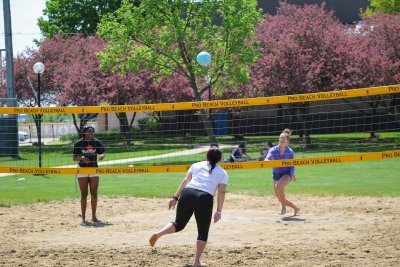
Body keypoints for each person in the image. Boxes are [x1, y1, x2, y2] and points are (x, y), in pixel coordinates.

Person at [149, 147, 228, 267]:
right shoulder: (222, 172)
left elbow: (185, 181)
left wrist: (175, 198)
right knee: (203, 232)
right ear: (220, 158)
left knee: (178, 224)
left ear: (207, 156)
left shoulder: (196, 165)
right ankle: (196, 261)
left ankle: (158, 234)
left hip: (188, 193)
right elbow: (221, 192)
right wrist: (219, 211)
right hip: (204, 198)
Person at [72, 126, 105, 224]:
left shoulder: (96, 142)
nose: (91, 133)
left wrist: (102, 156)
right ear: (84, 132)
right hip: (82, 169)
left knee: (94, 193)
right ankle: (83, 218)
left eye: (92, 132)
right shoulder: (78, 143)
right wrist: (82, 158)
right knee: (84, 194)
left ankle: (94, 216)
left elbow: (102, 152)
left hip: (94, 168)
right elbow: (74, 158)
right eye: (89, 131)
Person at [265, 129, 299, 216]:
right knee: (280, 198)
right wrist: (266, 161)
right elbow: (267, 158)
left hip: (286, 174)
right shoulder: (273, 150)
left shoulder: (290, 152)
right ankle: (296, 208)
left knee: (278, 186)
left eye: (284, 138)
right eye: (280, 138)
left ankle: (283, 208)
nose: (281, 140)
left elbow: (292, 165)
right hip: (276, 174)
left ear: (287, 141)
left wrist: (292, 174)